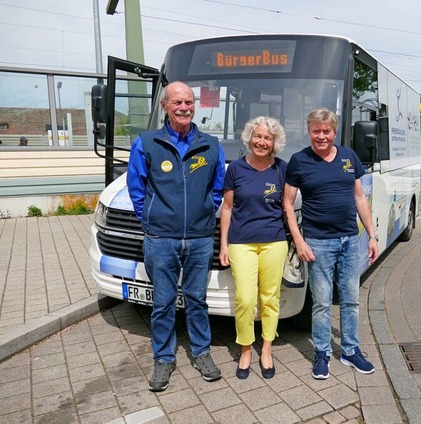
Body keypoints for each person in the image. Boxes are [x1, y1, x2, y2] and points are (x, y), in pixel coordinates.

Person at [127, 81, 226, 392]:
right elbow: (137, 190)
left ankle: (201, 352)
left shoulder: (211, 145)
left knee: (198, 299)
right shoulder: (145, 143)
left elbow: (218, 187)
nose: (184, 107)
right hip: (161, 239)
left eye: (189, 102)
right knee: (163, 302)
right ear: (165, 107)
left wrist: (207, 210)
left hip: (199, 238)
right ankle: (164, 358)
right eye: (177, 102)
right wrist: (153, 220)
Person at [283, 107, 379, 380]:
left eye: (326, 131)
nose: (321, 136)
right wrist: (299, 241)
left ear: (334, 132)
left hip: (349, 240)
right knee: (322, 303)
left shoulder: (349, 157)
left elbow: (360, 198)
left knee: (350, 300)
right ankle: (322, 353)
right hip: (318, 243)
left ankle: (350, 351)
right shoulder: (299, 161)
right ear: (309, 131)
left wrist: (371, 236)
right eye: (316, 131)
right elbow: (287, 205)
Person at [219, 116, 288, 380]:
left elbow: (288, 208)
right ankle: (246, 348)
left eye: (267, 138)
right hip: (241, 242)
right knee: (246, 299)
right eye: (257, 136)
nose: (261, 142)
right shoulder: (235, 169)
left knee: (270, 298)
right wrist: (223, 244)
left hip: (274, 241)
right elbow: (227, 208)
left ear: (274, 143)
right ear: (250, 138)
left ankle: (267, 348)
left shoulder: (282, 169)